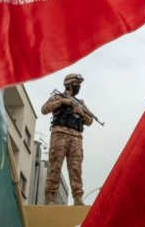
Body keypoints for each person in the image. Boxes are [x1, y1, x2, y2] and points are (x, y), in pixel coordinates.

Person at [41, 73, 93, 205]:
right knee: (55, 166)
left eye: (79, 85)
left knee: (76, 169)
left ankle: (78, 199)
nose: (78, 87)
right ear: (68, 84)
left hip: (76, 137)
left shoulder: (81, 103)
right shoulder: (57, 96)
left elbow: (90, 121)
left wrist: (81, 112)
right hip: (60, 134)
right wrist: (62, 102)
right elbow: (44, 109)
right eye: (76, 84)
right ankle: (50, 198)